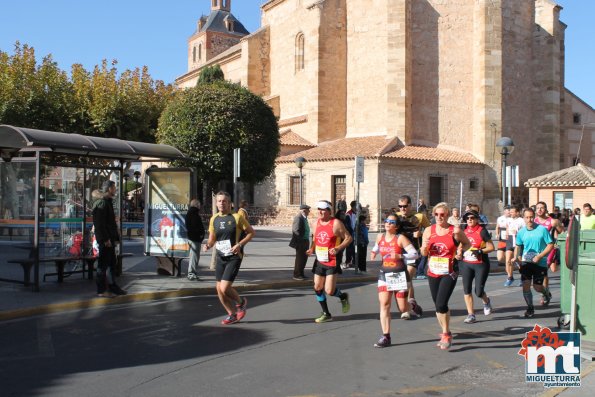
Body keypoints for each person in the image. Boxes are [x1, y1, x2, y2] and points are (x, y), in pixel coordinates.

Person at [421, 202, 471, 350]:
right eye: (436, 214)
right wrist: (424, 248)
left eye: (442, 214)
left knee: (442, 303)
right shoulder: (429, 231)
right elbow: (423, 253)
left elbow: (467, 244)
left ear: (448, 215)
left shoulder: (454, 231)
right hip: (433, 271)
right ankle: (446, 330)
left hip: (450, 271)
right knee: (438, 306)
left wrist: (460, 251)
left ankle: (445, 333)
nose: (439, 217)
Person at [203, 191, 255, 325]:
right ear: (216, 203)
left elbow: (251, 233)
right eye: (219, 201)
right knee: (219, 290)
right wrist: (208, 245)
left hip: (234, 256)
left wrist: (239, 244)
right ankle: (231, 314)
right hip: (221, 257)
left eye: (224, 201)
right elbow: (212, 239)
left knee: (225, 287)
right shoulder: (214, 218)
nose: (221, 203)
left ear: (229, 203)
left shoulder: (237, 217)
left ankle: (241, 303)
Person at [370, 214, 420, 348]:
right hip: (384, 274)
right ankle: (386, 336)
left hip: (398, 275)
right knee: (384, 304)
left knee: (402, 308)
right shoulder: (380, 236)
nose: (387, 223)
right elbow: (377, 246)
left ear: (396, 226)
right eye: (386, 221)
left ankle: (412, 306)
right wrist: (374, 252)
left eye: (391, 222)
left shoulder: (400, 238)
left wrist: (400, 255)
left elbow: (415, 254)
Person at [306, 200, 352, 323]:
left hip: (332, 261)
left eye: (323, 209)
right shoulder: (315, 223)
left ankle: (342, 296)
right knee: (317, 287)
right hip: (320, 260)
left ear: (329, 211)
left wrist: (337, 248)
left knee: (329, 291)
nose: (320, 212)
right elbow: (315, 238)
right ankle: (326, 313)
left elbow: (348, 238)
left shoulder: (336, 223)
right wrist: (312, 248)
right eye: (318, 209)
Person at [514, 207, 554, 318]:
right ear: (523, 218)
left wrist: (540, 256)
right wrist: (516, 257)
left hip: (540, 263)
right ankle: (530, 308)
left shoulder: (542, 230)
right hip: (526, 262)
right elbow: (518, 246)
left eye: (531, 217)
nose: (529, 219)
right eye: (527, 217)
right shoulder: (521, 232)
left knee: (537, 287)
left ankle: (546, 293)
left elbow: (550, 245)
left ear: (534, 217)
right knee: (526, 285)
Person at [457, 209, 495, 324]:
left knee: (478, 291)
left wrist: (480, 251)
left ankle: (486, 301)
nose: (469, 220)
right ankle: (471, 314)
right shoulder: (463, 230)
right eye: (467, 218)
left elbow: (491, 247)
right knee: (466, 290)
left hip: (480, 264)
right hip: (466, 264)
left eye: (472, 218)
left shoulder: (482, 231)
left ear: (477, 219)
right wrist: (458, 253)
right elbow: (460, 244)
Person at [93, 180, 127, 298]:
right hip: (105, 240)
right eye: (114, 188)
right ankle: (101, 290)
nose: (115, 189)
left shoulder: (107, 202)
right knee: (103, 265)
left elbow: (109, 222)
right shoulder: (102, 203)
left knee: (112, 263)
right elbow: (100, 224)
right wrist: (106, 239)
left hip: (109, 239)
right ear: (109, 189)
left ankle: (113, 286)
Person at [397, 195, 429, 315]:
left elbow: (430, 230)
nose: (402, 209)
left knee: (407, 277)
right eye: (400, 206)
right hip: (399, 252)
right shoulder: (396, 217)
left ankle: (407, 308)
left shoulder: (420, 216)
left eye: (405, 206)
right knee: (405, 280)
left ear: (410, 205)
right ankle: (411, 303)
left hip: (414, 252)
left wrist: (420, 234)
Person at [534, 201, 564, 295]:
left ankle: (544, 294)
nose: (539, 209)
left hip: (549, 249)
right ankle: (546, 291)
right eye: (538, 208)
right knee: (541, 272)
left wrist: (557, 243)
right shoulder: (534, 221)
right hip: (537, 249)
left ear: (546, 210)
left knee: (544, 270)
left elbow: (562, 234)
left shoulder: (553, 221)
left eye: (542, 208)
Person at [504, 205, 525, 287]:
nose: (510, 213)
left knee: (519, 260)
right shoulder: (508, 219)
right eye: (510, 212)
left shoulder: (521, 221)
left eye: (512, 212)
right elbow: (507, 227)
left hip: (518, 240)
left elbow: (524, 231)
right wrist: (506, 233)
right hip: (510, 239)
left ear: (517, 212)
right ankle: (510, 277)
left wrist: (518, 233)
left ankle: (523, 277)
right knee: (508, 260)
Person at [185, 199, 205, 281]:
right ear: (196, 205)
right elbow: (195, 227)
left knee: (193, 256)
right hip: (195, 238)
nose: (200, 207)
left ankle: (192, 272)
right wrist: (200, 235)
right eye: (199, 205)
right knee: (194, 256)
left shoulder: (190, 213)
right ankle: (191, 273)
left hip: (191, 237)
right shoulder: (194, 214)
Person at [290, 204, 311, 280]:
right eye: (308, 210)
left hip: (305, 240)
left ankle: (301, 273)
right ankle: (296, 275)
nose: (309, 212)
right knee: (299, 258)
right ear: (304, 210)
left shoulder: (304, 217)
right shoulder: (298, 218)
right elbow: (295, 231)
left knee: (304, 258)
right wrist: (300, 242)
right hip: (301, 241)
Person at [344, 200, 358, 267]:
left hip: (356, 233)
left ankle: (354, 261)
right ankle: (348, 261)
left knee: (355, 249)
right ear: (353, 206)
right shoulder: (348, 214)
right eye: (356, 206)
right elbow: (347, 225)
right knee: (349, 248)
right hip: (350, 233)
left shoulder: (357, 213)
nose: (357, 207)